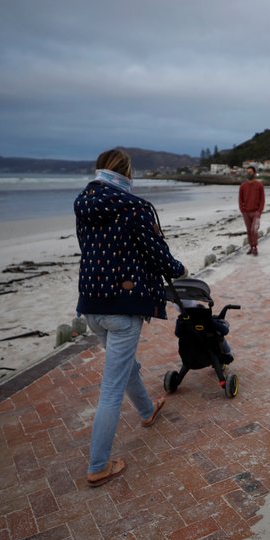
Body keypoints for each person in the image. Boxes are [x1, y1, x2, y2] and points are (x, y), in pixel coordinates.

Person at [75, 148, 187, 487]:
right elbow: (156, 253)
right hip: (123, 306)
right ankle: (98, 465)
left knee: (125, 366)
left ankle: (146, 410)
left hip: (92, 304)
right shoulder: (134, 207)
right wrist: (178, 269)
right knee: (110, 388)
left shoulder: (83, 203)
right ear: (127, 173)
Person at [238, 165, 265, 256]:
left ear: (254, 173)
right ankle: (251, 247)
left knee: (254, 230)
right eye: (247, 172)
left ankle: (255, 247)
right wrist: (242, 210)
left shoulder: (259, 185)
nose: (249, 173)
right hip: (246, 212)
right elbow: (240, 199)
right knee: (249, 230)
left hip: (256, 212)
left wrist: (259, 211)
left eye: (250, 172)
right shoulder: (243, 186)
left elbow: (262, 199)